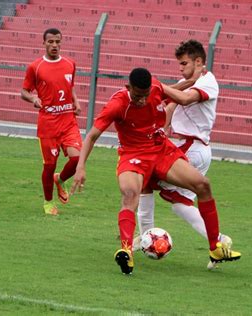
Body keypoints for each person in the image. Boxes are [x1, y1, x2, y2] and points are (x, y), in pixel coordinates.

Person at [71, 67, 241, 275]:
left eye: (145, 95)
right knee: (130, 194)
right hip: (133, 154)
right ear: (128, 87)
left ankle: (215, 248)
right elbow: (91, 136)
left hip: (161, 149)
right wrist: (80, 166)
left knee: (203, 185)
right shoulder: (117, 104)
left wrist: (192, 81)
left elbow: (171, 91)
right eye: (137, 96)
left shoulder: (156, 87)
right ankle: (126, 251)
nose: (142, 100)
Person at [135, 39, 232, 270]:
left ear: (199, 62)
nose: (180, 68)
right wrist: (159, 126)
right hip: (188, 146)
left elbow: (185, 99)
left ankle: (145, 236)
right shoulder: (185, 82)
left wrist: (155, 85)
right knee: (179, 204)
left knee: (144, 175)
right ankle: (219, 240)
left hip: (191, 147)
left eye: (184, 63)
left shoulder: (208, 82)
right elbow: (169, 106)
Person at [21, 28, 82, 216]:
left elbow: (69, 87)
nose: (54, 45)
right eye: (50, 42)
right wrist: (33, 99)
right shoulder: (35, 67)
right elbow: (24, 91)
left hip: (68, 121)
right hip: (48, 125)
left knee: (77, 158)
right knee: (49, 166)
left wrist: (76, 102)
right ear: (44, 43)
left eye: (57, 42)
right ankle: (48, 203)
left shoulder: (70, 64)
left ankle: (60, 179)